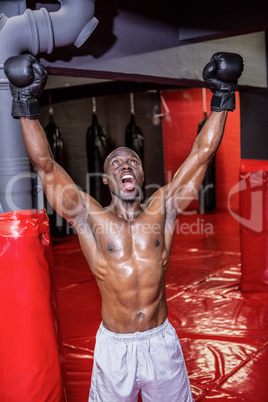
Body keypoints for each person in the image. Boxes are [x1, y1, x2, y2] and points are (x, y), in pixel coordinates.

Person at [4, 52, 243, 402]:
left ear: (142, 175)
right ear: (106, 178)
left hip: (160, 342)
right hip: (115, 350)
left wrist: (223, 96)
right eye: (116, 162)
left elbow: (201, 155)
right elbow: (46, 166)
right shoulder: (90, 218)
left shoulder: (164, 208)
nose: (125, 164)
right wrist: (25, 103)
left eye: (132, 160)